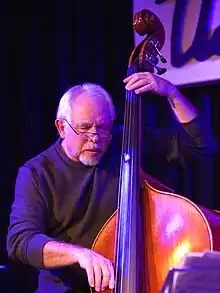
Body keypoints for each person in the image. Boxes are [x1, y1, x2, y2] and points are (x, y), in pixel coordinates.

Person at [7, 72, 217, 293]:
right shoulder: (37, 173)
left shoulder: (127, 145)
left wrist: (171, 94)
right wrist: (80, 254)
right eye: (84, 128)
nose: (95, 138)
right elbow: (20, 240)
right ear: (61, 127)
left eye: (103, 127)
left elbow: (202, 147)